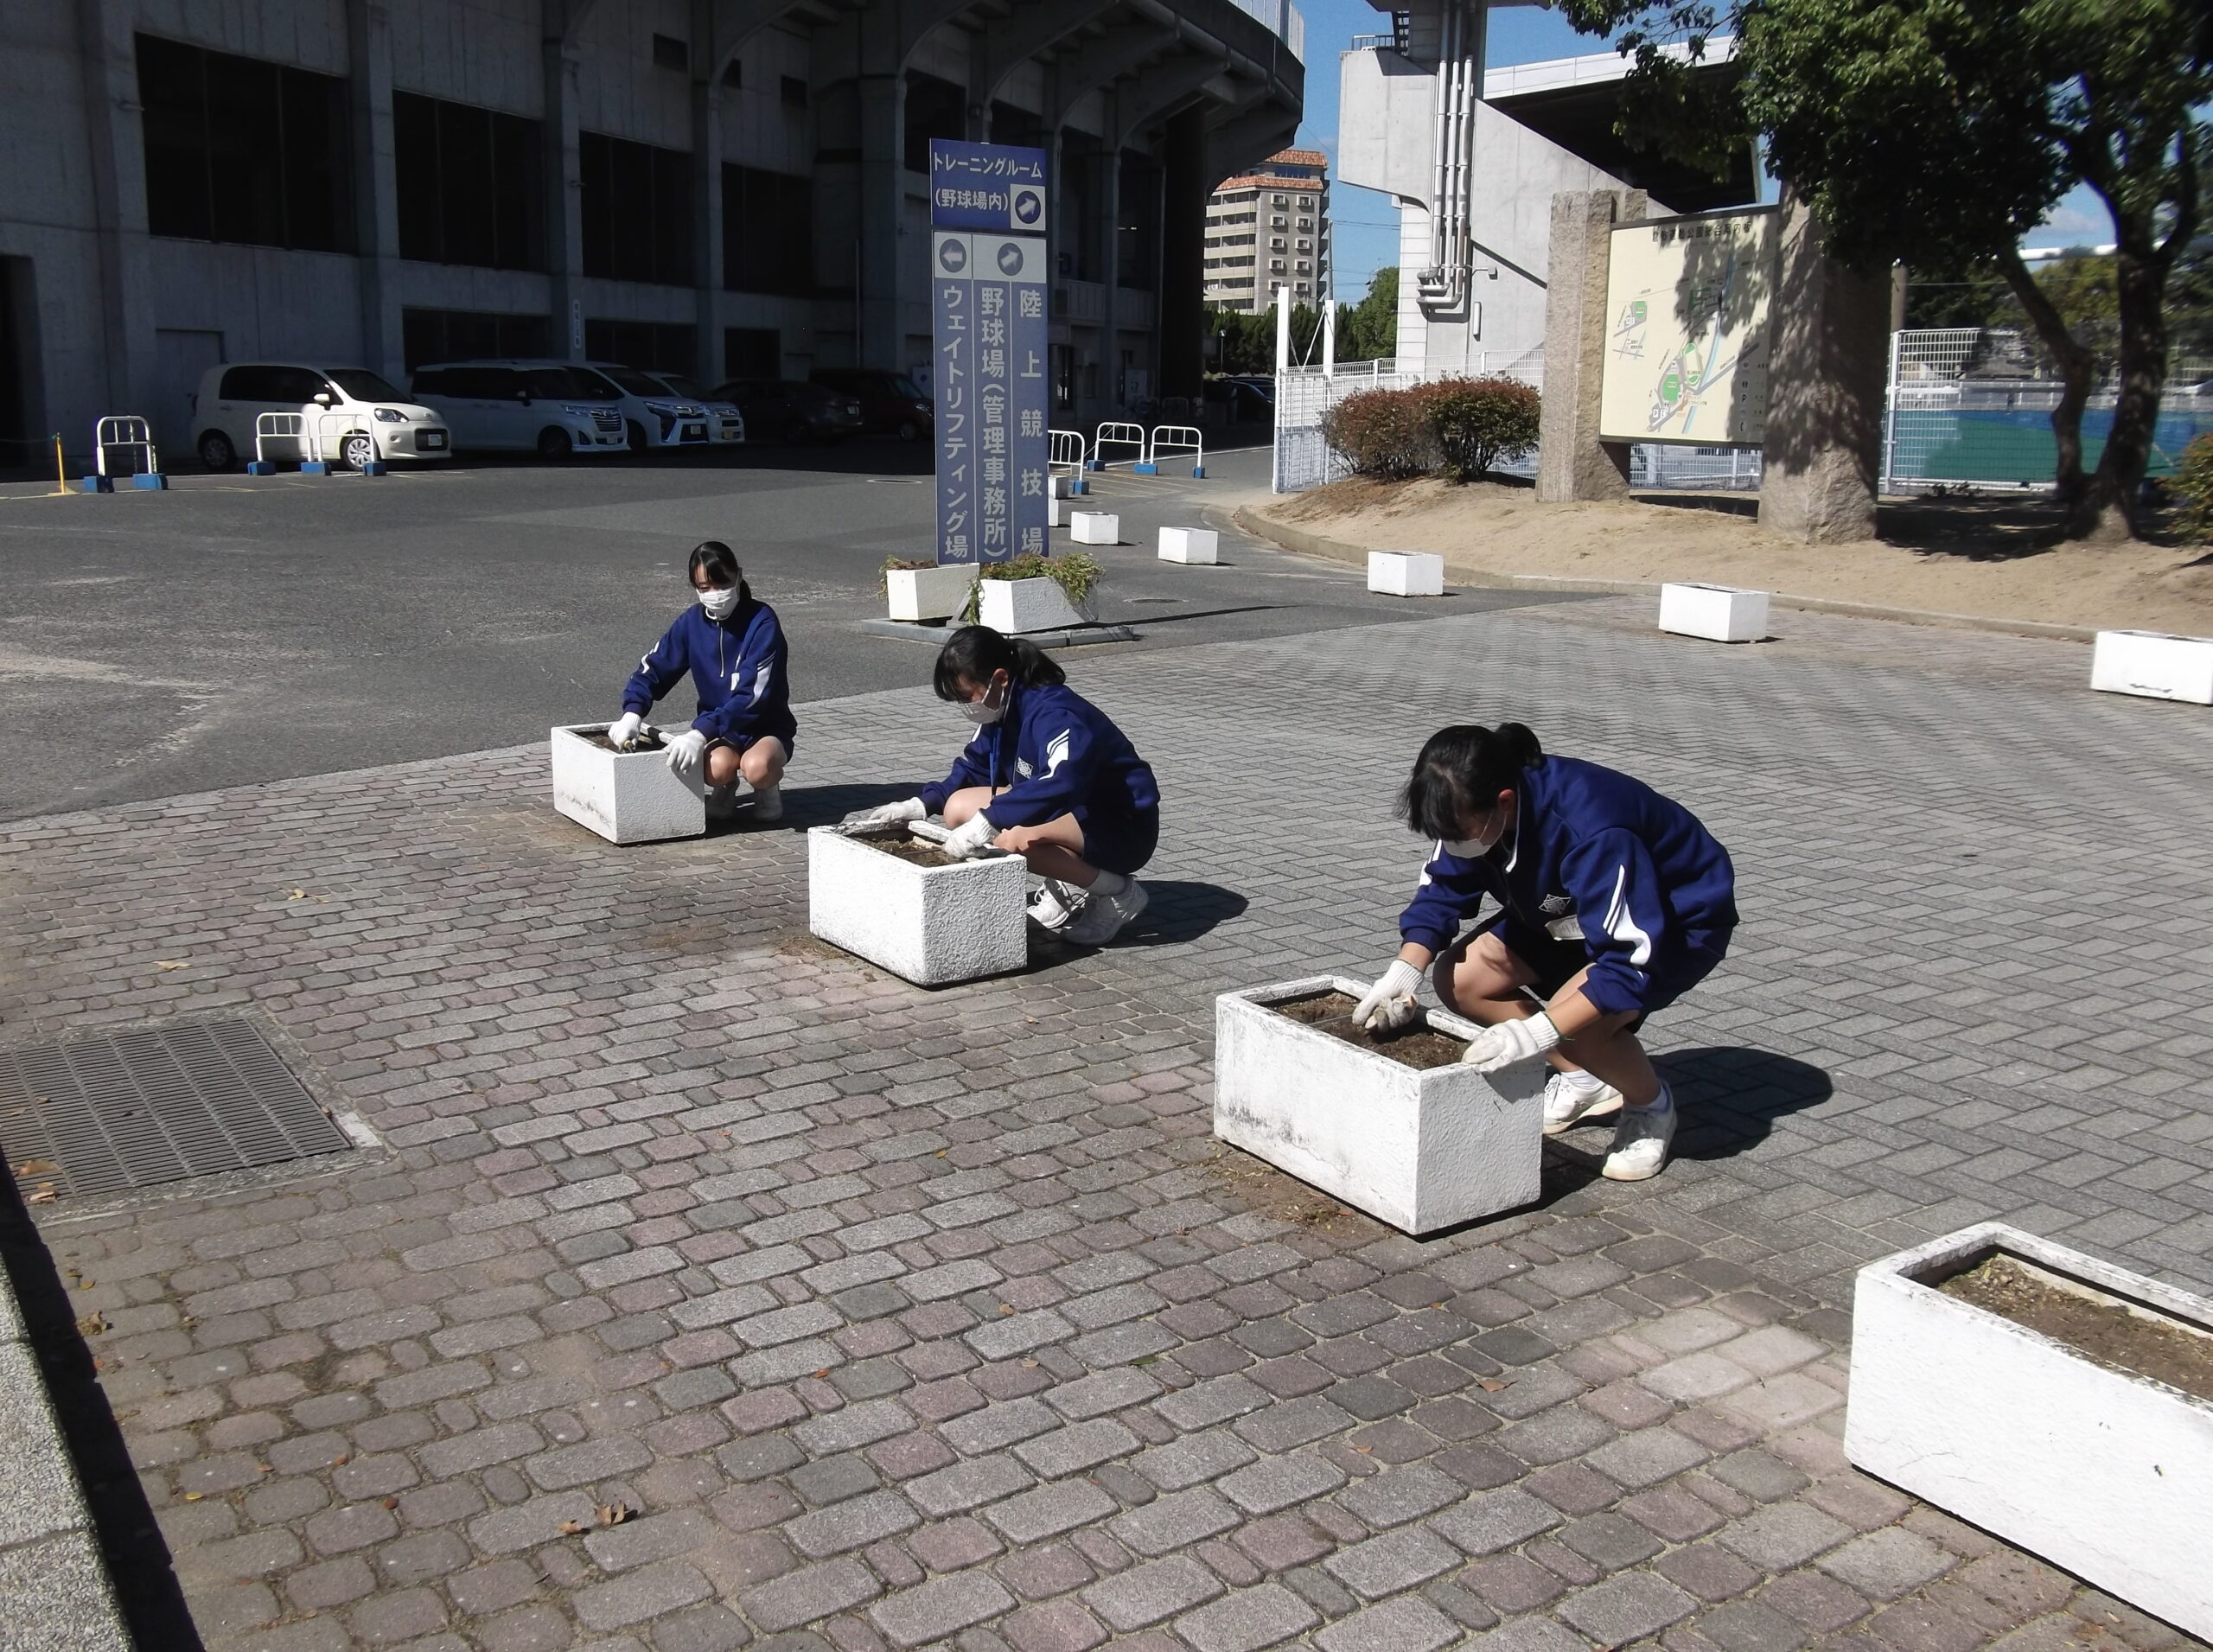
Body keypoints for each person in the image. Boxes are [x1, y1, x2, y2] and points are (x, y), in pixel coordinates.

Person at [1350, 723, 1736, 1183]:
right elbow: (1443, 890)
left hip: (1670, 924)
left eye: (1459, 834)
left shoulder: (1592, 829)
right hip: (1565, 915)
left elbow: (1628, 960)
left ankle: (1651, 1107)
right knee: (1462, 979)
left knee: (1583, 1026)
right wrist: (1402, 973)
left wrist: (1539, 1032)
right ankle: (1585, 1080)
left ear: (1506, 802)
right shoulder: (1471, 807)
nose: (1454, 844)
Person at [841, 626, 1159, 946]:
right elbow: (973, 768)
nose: (965, 706)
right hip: (1078, 814)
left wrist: (990, 822)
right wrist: (920, 805)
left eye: (967, 696)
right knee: (957, 809)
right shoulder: (1001, 711)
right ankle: (1071, 882)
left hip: (1121, 827)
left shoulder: (1056, 713)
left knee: (1010, 838)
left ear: (1000, 678)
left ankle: (1118, 893)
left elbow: (1063, 782)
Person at [609, 541, 794, 820]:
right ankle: (726, 785)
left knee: (757, 767)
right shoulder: (691, 623)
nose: (715, 594)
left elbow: (751, 697)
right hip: (721, 730)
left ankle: (766, 787)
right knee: (714, 768)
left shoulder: (762, 621)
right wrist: (632, 713)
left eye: (722, 584)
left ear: (739, 576)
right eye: (704, 588)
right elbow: (655, 666)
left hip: (764, 725)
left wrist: (698, 734)